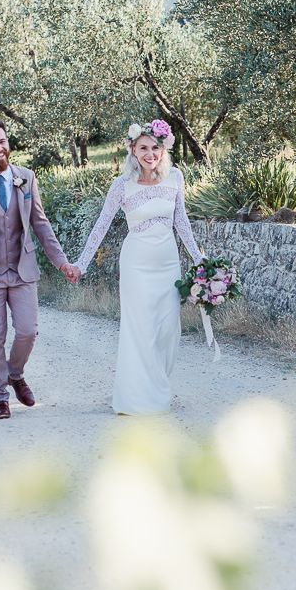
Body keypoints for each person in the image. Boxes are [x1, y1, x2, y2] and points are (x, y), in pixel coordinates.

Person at [71, 120, 203, 415]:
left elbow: (181, 222)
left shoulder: (176, 178)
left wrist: (199, 261)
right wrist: (81, 263)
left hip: (168, 264)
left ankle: (157, 384)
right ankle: (138, 398)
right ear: (132, 149)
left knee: (169, 330)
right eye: (143, 147)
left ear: (163, 148)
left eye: (155, 147)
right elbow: (101, 225)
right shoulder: (122, 186)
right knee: (140, 330)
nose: (149, 153)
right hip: (136, 266)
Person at [0, 119, 80, 420]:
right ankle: (0, 398)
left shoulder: (26, 177)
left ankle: (15, 374)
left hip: (22, 270)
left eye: (1, 141)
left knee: (28, 331)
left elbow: (40, 224)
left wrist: (62, 261)